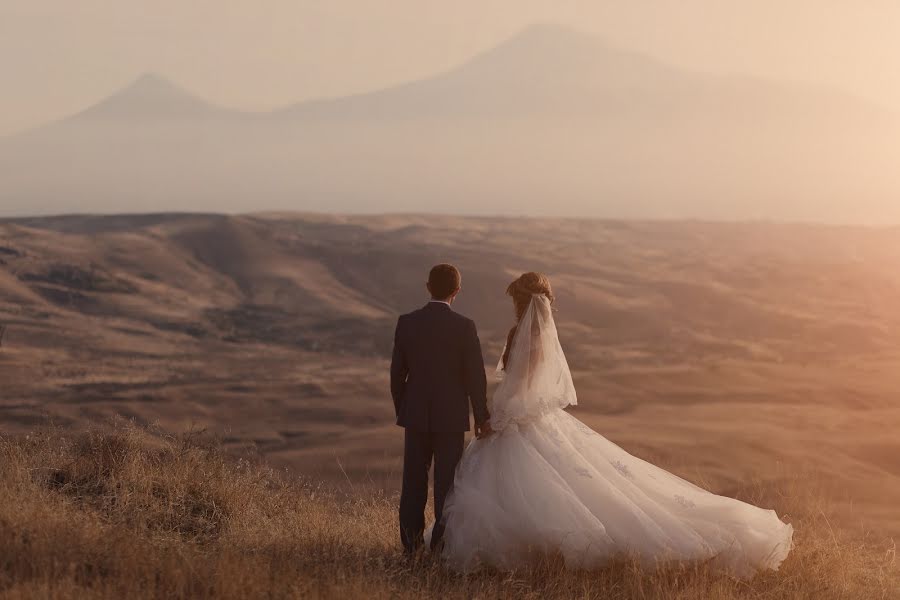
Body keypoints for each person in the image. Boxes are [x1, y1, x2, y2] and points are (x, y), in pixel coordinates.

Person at [433, 272, 793, 578]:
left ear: (520, 302)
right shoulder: (544, 337)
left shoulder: (519, 335)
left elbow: (520, 389)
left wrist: (497, 421)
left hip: (516, 422)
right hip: (533, 421)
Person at [390, 263, 492, 555]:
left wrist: (405, 409)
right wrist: (481, 416)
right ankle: (441, 549)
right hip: (451, 419)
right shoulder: (464, 326)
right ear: (457, 291)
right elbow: (475, 377)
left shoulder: (406, 322)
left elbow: (397, 375)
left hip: (415, 417)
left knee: (413, 485)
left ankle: (410, 548)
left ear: (427, 287)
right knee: (447, 487)